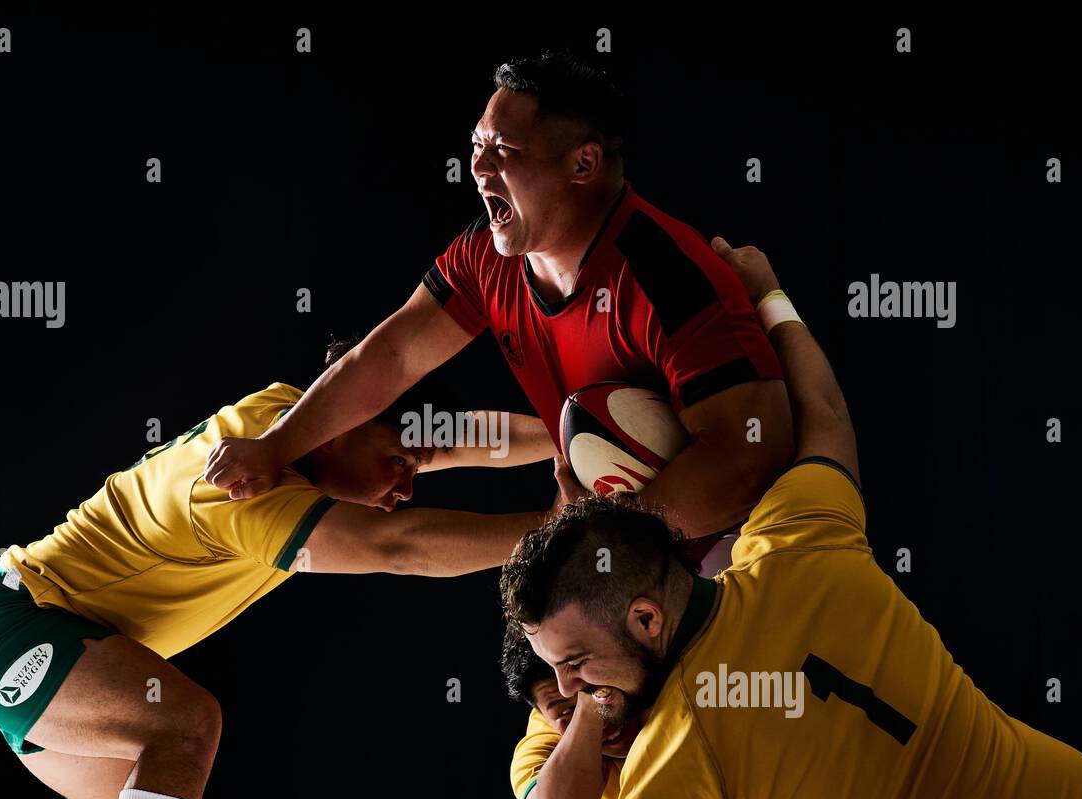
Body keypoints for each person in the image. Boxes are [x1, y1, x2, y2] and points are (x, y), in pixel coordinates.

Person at [497, 240, 1082, 799]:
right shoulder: (797, 538)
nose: (568, 687)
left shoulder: (670, 777)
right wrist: (768, 294)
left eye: (574, 661)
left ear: (647, 619)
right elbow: (827, 417)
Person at [0, 339, 558, 799]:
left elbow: (448, 436)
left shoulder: (281, 417)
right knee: (185, 725)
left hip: (50, 636)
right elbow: (403, 547)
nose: (405, 485)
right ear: (341, 430)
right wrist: (566, 525)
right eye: (400, 464)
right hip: (15, 628)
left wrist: (565, 435)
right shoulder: (244, 492)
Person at [202, 52, 793, 574]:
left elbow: (747, 454)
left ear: (583, 165)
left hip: (739, 558)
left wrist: (602, 537)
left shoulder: (671, 277)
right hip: (628, 566)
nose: (479, 168)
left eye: (503, 151)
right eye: (477, 146)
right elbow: (392, 354)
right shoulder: (485, 256)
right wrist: (275, 446)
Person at [503, 627, 639, 799]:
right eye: (566, 711)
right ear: (541, 716)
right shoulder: (541, 741)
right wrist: (590, 699)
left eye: (605, 685)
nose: (604, 719)